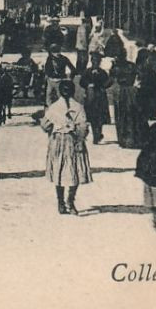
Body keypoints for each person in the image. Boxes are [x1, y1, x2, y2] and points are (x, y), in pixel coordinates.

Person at [39, 79, 93, 215]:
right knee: (75, 171)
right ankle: (69, 201)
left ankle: (61, 202)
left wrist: (53, 127)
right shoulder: (78, 106)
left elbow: (45, 125)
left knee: (59, 170)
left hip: (59, 141)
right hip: (73, 140)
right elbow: (83, 126)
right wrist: (80, 138)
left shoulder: (54, 107)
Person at [77, 52, 114, 144]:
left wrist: (103, 85)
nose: (96, 64)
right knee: (93, 117)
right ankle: (96, 135)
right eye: (94, 61)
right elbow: (81, 82)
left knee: (100, 118)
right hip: (91, 98)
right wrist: (88, 85)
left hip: (100, 97)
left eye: (97, 62)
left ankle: (98, 134)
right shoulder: (87, 72)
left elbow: (108, 82)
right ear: (91, 62)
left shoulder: (102, 72)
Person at [111, 54, 145, 149]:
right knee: (132, 114)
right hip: (132, 91)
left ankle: (123, 140)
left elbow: (110, 79)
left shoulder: (116, 67)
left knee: (122, 115)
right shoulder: (132, 65)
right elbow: (141, 74)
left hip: (121, 92)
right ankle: (133, 139)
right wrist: (137, 83)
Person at [134, 40, 156, 122]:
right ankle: (146, 114)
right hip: (146, 79)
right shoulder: (142, 54)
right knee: (146, 98)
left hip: (155, 79)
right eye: (150, 46)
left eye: (154, 46)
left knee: (155, 97)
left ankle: (154, 114)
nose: (152, 48)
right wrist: (139, 76)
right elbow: (137, 66)